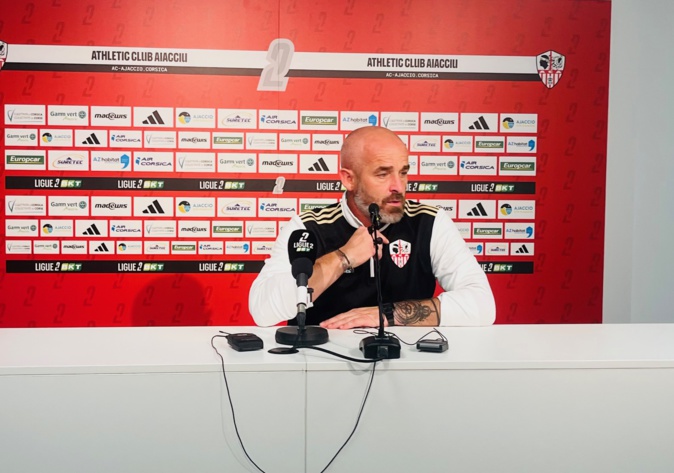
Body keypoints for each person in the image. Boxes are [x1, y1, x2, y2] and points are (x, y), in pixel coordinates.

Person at [249, 126, 495, 329]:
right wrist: (342, 257)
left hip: (407, 368)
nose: (398, 186)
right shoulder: (308, 227)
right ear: (349, 179)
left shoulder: (428, 223)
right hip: (323, 369)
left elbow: (482, 304)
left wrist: (387, 314)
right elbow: (263, 311)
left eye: (404, 172)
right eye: (382, 174)